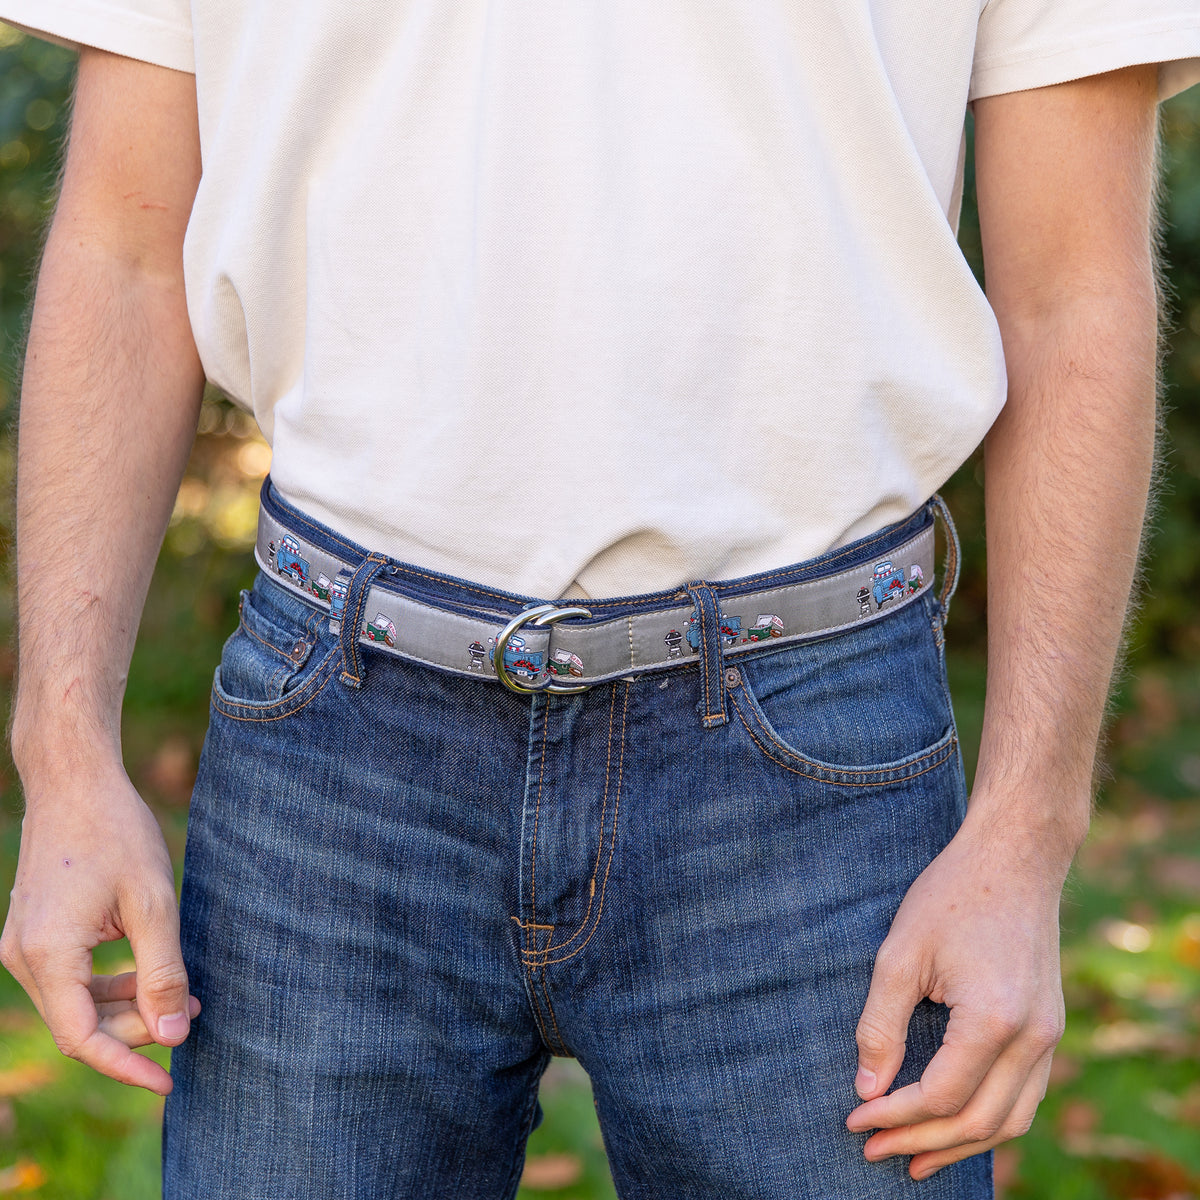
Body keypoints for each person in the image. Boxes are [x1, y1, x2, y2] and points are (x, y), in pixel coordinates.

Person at [1, 3, 1197, 1197]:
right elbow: (122, 249)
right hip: (332, 750)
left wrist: (1026, 837)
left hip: (807, 763)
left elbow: (1074, 298)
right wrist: (62, 754)